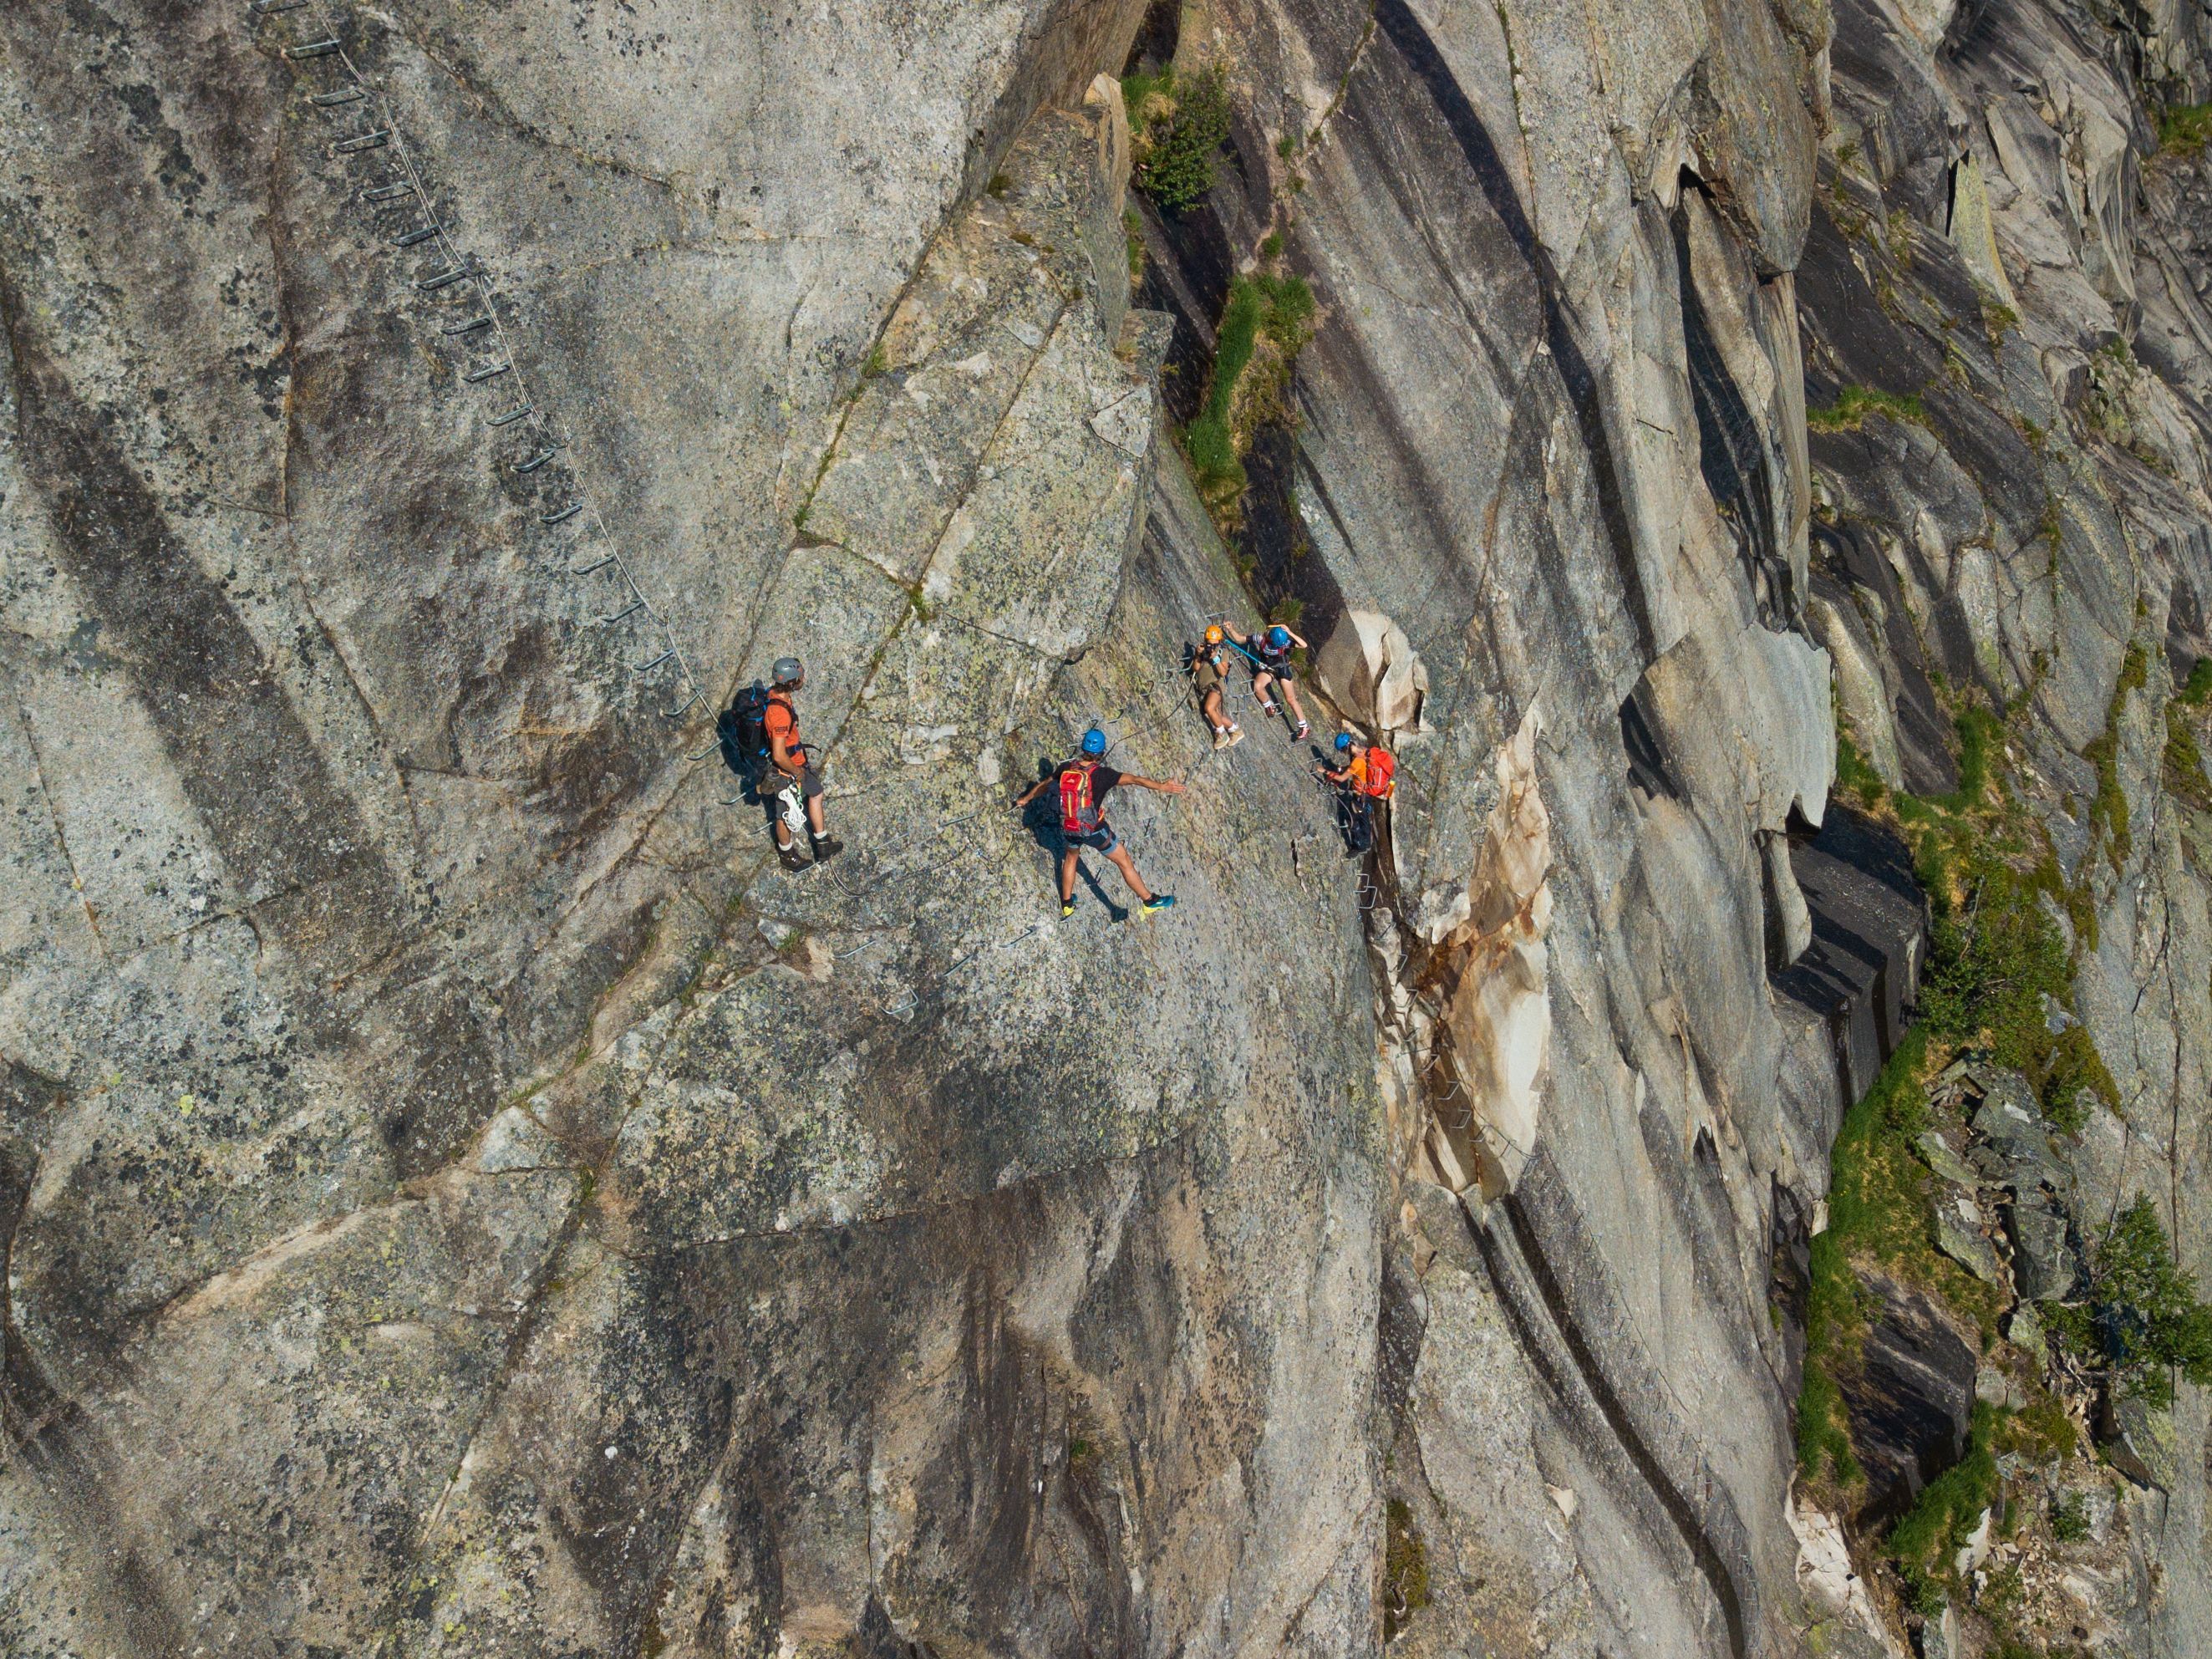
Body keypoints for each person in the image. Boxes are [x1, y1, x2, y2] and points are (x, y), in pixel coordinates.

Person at [1014, 728, 1181, 917]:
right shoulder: (1104, 774)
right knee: (1124, 860)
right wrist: (1162, 786)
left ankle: (1067, 904)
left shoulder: (1066, 767)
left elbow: (1045, 784)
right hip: (1094, 830)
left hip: (1069, 825)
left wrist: (1026, 799)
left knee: (1071, 858)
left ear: (1082, 747)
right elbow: (1135, 779)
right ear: (1101, 752)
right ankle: (1149, 901)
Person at [761, 658, 844, 871]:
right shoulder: (779, 714)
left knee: (816, 793)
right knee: (783, 814)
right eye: (800, 677)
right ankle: (787, 855)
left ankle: (823, 844)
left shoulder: (779, 696)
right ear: (790, 682)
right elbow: (779, 755)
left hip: (797, 764)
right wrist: (796, 771)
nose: (803, 679)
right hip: (787, 770)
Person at [1318, 730, 1396, 854]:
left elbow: (1342, 778)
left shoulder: (1357, 760)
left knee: (1355, 821)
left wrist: (1325, 771)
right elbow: (1356, 770)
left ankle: (1359, 847)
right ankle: (1365, 844)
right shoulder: (1363, 752)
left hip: (1361, 796)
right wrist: (1342, 769)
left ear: (1345, 749)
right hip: (1366, 795)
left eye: (1342, 751)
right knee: (1364, 820)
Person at [1245, 623, 1311, 740]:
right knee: (1258, 685)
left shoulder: (1284, 642)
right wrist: (1231, 630)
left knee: (1291, 699)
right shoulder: (1262, 639)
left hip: (1282, 669)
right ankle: (1269, 706)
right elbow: (1241, 638)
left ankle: (1304, 726)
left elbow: (1304, 645)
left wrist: (1289, 632)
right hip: (1270, 669)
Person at [1189, 625, 1243, 749]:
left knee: (1209, 708)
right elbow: (1196, 669)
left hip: (1216, 685)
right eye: (1209, 643)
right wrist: (1197, 655)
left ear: (1219, 642)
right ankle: (1235, 730)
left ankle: (1221, 734)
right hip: (1204, 687)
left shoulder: (1223, 652)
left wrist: (1215, 658)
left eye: (1214, 644)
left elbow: (1223, 672)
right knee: (1215, 715)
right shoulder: (1202, 650)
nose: (1211, 646)